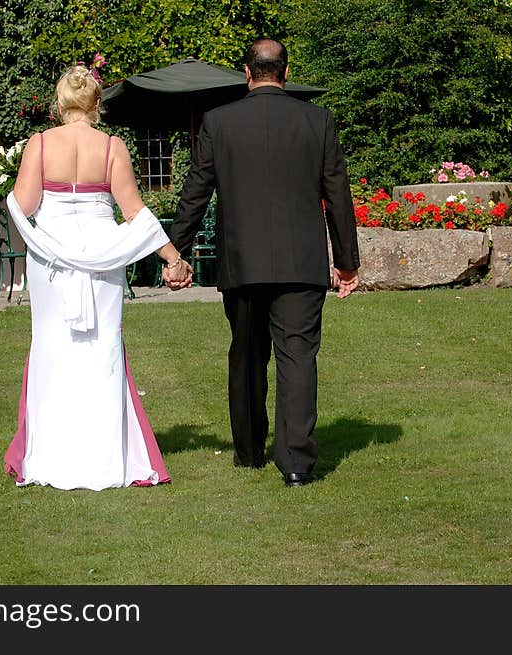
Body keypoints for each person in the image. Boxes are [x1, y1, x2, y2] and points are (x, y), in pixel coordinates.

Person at [165, 38, 360, 487]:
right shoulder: (318, 121)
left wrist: (176, 253)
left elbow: (195, 192)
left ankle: (250, 452)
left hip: (242, 264)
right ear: (285, 73)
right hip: (302, 265)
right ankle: (295, 462)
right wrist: (347, 262)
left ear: (247, 74)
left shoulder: (218, 122)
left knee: (247, 357)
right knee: (298, 359)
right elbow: (338, 195)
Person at [2, 63, 193, 490]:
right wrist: (171, 256)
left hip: (50, 261)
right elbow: (134, 212)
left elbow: (24, 205)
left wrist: (50, 231)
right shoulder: (111, 147)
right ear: (96, 103)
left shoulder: (39, 144)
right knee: (102, 347)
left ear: (60, 101)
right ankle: (104, 457)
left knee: (52, 347)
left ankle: (51, 454)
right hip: (104, 256)